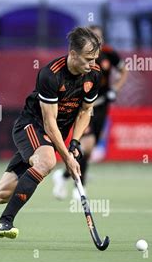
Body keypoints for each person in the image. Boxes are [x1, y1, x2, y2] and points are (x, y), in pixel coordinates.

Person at [0, 26, 102, 239]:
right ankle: (5, 221)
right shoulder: (51, 75)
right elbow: (49, 124)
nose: (92, 64)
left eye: (95, 58)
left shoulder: (94, 75)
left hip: (51, 137)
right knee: (47, 161)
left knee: (1, 193)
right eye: (88, 59)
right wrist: (67, 158)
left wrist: (75, 143)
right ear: (73, 54)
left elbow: (86, 111)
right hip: (31, 127)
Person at [52, 25, 128, 200]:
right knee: (85, 144)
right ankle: (80, 186)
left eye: (98, 39)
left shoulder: (109, 54)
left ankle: (63, 176)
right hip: (85, 108)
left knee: (90, 148)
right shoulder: (81, 61)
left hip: (101, 106)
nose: (96, 43)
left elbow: (124, 71)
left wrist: (114, 89)